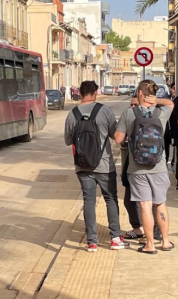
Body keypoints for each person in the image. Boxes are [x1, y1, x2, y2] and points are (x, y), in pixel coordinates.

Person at [64, 81, 127, 253]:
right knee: (111, 199)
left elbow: (68, 140)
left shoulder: (72, 114)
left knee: (88, 201)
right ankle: (115, 238)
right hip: (105, 165)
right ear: (95, 92)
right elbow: (115, 135)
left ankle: (92, 241)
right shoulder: (104, 111)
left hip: (82, 166)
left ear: (81, 93)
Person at [115, 80, 174, 254]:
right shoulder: (161, 112)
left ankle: (149, 244)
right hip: (159, 166)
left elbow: (118, 139)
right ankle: (165, 242)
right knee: (160, 204)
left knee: (145, 205)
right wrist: (157, 101)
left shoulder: (129, 114)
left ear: (140, 93)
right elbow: (171, 102)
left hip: (137, 168)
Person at [122, 97, 161, 243]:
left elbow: (118, 137)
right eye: (131, 104)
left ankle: (148, 231)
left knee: (147, 202)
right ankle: (138, 228)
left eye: (135, 104)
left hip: (149, 165)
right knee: (129, 197)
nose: (132, 107)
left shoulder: (156, 115)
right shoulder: (128, 115)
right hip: (132, 161)